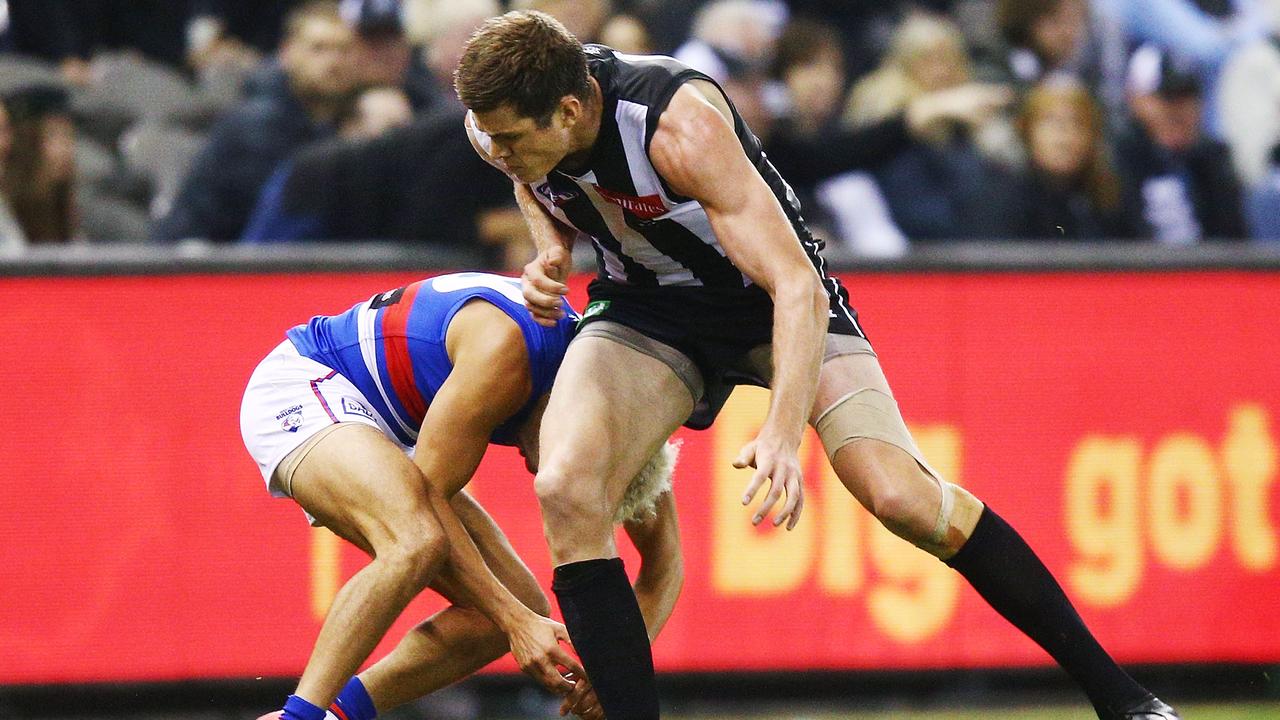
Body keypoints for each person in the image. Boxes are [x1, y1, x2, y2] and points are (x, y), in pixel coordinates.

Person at [455, 10, 1181, 719]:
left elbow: (794, 285)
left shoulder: (677, 123)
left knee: (900, 497)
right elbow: (538, 181)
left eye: (513, 139)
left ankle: (1127, 701)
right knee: (565, 486)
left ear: (572, 109)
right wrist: (551, 243)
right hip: (650, 308)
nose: (497, 150)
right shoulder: (499, 124)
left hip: (768, 300)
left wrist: (778, 433)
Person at [241, 271, 684, 720]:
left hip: (390, 425)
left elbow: (665, 564)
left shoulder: (624, 422)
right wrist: (516, 624)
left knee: (520, 604)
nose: (538, 472)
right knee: (415, 541)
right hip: (310, 383)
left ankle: (339, 712)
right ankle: (300, 716)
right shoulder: (509, 354)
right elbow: (427, 496)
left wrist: (611, 675)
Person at [152, 1, 357, 243]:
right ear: (287, 53)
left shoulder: (338, 120)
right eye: (318, 49)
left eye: (343, 50)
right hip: (202, 264)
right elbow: (273, 223)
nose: (333, 62)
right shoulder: (258, 125)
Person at [1115, 44, 1245, 243]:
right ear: (1136, 100)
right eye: (1166, 98)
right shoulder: (1117, 159)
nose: (1178, 111)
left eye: (1187, 98)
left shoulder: (1213, 157)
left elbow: (1234, 239)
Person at [1008, 76, 1133, 240]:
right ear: (1027, 131)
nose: (1064, 137)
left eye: (1077, 122)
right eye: (1051, 121)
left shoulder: (1112, 197)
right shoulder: (1005, 199)